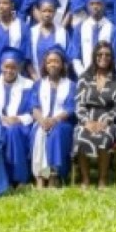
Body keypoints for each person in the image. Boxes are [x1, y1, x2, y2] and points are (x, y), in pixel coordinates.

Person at [73, 41, 116, 189]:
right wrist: (86, 122)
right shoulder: (85, 77)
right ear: (94, 56)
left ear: (112, 58)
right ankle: (86, 179)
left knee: (105, 136)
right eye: (100, 54)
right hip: (87, 119)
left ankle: (103, 179)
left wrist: (105, 122)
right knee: (80, 135)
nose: (103, 57)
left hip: (109, 121)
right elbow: (79, 104)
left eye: (107, 55)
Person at [29, 45, 76, 188]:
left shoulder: (71, 85)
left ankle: (53, 176)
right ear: (45, 65)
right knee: (39, 133)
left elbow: (71, 108)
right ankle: (41, 176)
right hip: (41, 121)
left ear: (62, 65)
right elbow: (33, 106)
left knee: (56, 133)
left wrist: (54, 120)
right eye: (49, 62)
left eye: (56, 61)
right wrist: (43, 120)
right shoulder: (38, 84)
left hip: (62, 123)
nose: (52, 64)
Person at [0, 47, 35, 188]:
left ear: (19, 68)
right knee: (1, 132)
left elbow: (33, 110)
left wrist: (18, 119)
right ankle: (3, 178)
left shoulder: (29, 85)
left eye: (13, 67)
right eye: (6, 67)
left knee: (13, 131)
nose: (9, 71)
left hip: (22, 127)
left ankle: (19, 178)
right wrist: (0, 119)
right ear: (1, 66)